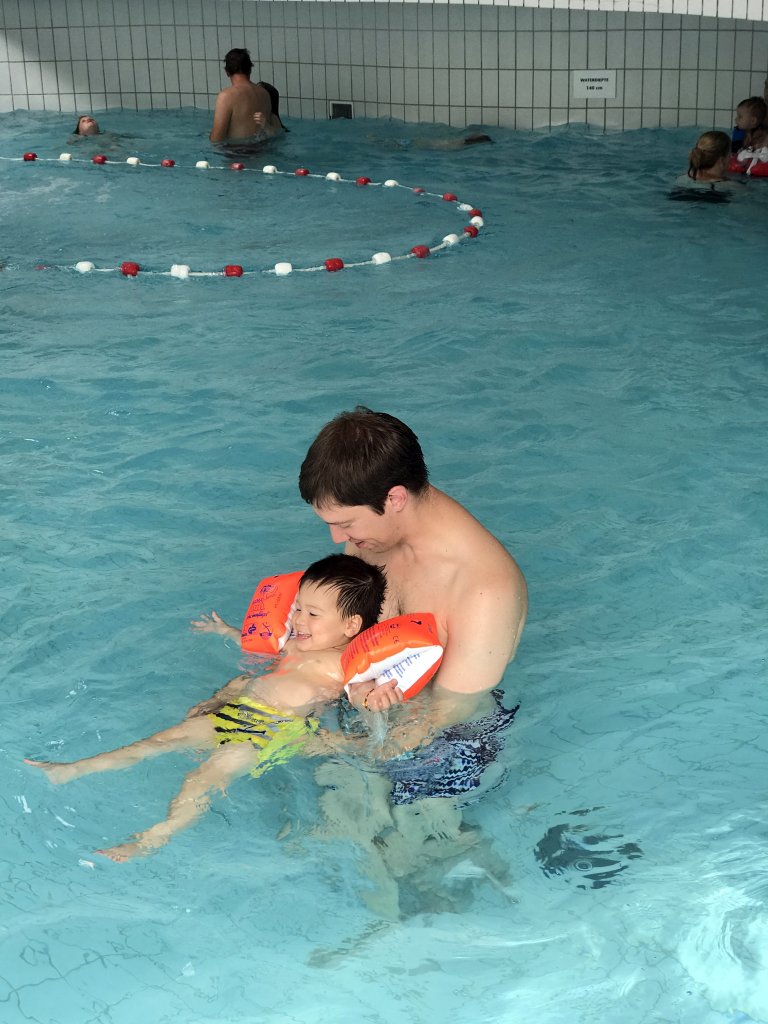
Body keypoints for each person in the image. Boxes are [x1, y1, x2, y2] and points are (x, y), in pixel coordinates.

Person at [297, 408, 527, 916]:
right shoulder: (376, 536)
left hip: (448, 741)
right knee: (340, 827)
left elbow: (454, 711)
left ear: (394, 499)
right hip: (374, 717)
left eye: (345, 524)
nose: (338, 540)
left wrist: (341, 745)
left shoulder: (483, 587)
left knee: (413, 857)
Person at [25, 554, 386, 863]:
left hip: (271, 732)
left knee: (202, 779)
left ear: (351, 624)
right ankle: (69, 770)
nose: (300, 620)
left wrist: (372, 698)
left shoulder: (343, 666)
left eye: (313, 613)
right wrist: (225, 636)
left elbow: (361, 696)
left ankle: (152, 838)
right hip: (238, 710)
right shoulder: (292, 644)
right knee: (155, 743)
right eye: (299, 609)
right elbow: (256, 664)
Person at [209, 48, 284, 144]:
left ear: (227, 72)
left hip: (238, 153)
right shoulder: (265, 94)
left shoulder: (226, 96)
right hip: (262, 151)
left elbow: (216, 140)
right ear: (250, 70)